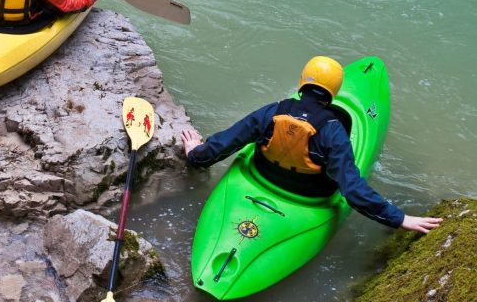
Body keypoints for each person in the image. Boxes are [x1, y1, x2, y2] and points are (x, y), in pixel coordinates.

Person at [181, 55, 442, 235]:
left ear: (302, 81)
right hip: (310, 197)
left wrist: (195, 154)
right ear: (334, 91)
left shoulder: (273, 111)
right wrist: (400, 218)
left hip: (262, 178)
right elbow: (352, 189)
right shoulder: (333, 131)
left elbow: (227, 142)